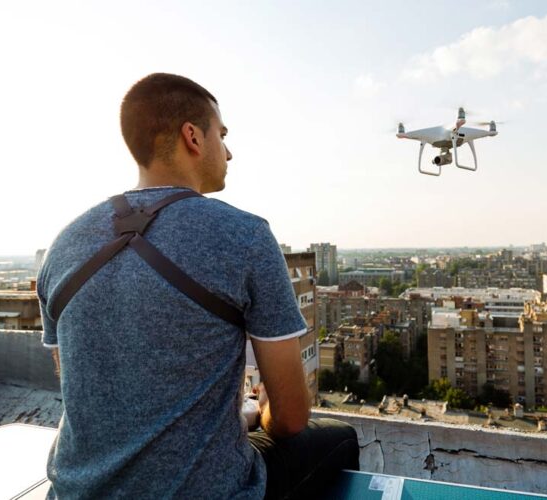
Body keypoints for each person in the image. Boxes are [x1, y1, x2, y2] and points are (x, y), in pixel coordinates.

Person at [37, 73, 359, 499]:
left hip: (75, 491)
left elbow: (78, 386)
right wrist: (259, 411)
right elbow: (292, 418)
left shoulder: (64, 243)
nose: (228, 151)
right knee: (338, 437)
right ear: (192, 136)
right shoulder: (244, 235)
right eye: (221, 135)